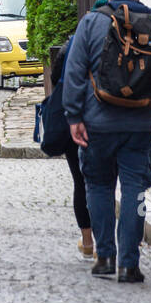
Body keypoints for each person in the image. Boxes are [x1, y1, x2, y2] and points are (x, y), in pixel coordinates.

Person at [62, 0, 151, 284]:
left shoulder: (91, 23)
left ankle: (104, 257)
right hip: (139, 128)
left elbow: (74, 73)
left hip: (96, 125)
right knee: (135, 192)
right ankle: (129, 264)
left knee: (99, 188)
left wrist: (74, 117)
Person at [49, 39, 93, 260]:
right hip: (103, 119)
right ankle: (108, 242)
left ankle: (87, 241)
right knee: (103, 183)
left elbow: (55, 78)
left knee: (80, 181)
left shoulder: (71, 44)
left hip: (74, 120)